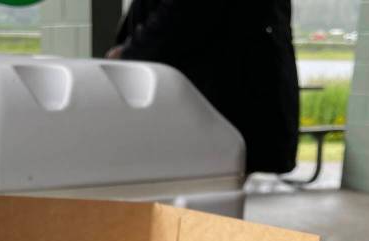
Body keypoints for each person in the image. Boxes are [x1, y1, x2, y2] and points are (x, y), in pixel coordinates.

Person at [108, 0, 299, 176]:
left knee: (202, 185)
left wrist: (130, 53)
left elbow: (185, 15)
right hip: (236, 89)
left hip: (215, 94)